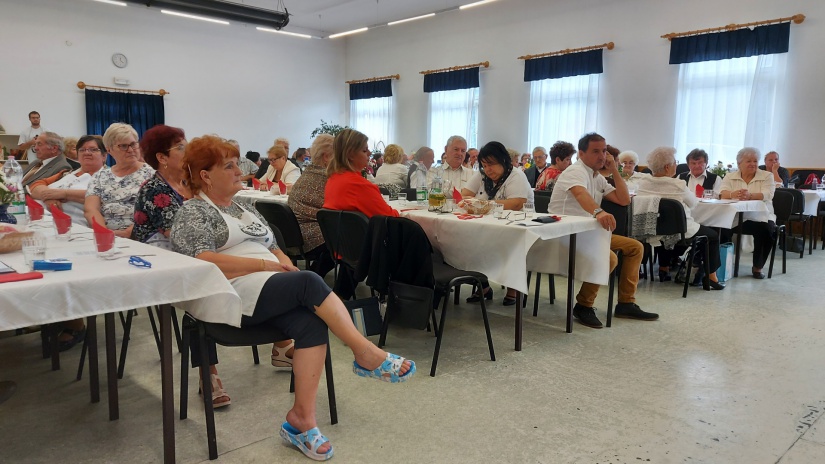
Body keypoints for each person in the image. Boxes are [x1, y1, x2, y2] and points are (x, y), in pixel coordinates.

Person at [170, 135, 414, 461]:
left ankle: (301, 420)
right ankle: (365, 352)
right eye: (228, 166)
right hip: (227, 295)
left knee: (311, 323)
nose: (239, 171)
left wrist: (283, 262)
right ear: (205, 176)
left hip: (265, 288)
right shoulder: (193, 212)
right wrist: (265, 266)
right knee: (309, 281)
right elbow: (202, 259)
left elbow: (273, 246)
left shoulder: (244, 207)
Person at [549, 133, 658, 328]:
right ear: (581, 154)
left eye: (604, 151)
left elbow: (623, 200)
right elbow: (580, 194)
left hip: (588, 233)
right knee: (609, 258)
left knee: (635, 247)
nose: (602, 156)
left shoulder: (596, 176)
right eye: (596, 151)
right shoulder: (575, 171)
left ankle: (626, 303)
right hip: (565, 233)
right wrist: (599, 211)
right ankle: (583, 305)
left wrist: (615, 170)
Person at [635, 147, 725, 289]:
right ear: (667, 167)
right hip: (680, 230)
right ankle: (711, 277)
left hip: (651, 228)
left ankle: (664, 268)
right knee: (712, 236)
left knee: (663, 230)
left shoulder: (643, 182)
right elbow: (693, 203)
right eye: (675, 162)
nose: (676, 165)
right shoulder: (678, 184)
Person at [461, 141, 534, 305]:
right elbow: (464, 194)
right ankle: (484, 286)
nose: (488, 169)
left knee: (510, 244)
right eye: (484, 165)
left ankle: (513, 288)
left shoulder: (516, 175)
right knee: (465, 240)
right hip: (487, 225)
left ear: (504, 160)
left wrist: (484, 204)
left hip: (516, 225)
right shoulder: (481, 175)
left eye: (491, 164)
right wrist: (478, 203)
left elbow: (517, 203)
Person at [85, 123, 155, 238]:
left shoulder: (152, 175)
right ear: (109, 150)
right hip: (105, 235)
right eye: (123, 146)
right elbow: (91, 209)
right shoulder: (99, 176)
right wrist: (104, 233)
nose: (130, 150)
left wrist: (127, 233)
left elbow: (153, 212)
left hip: (141, 236)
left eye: (133, 144)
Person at [720, 147, 776, 279]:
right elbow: (722, 193)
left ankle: (758, 267)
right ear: (739, 163)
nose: (753, 164)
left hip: (760, 216)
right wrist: (733, 194)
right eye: (748, 161)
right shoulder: (730, 176)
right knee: (720, 228)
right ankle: (723, 264)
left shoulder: (767, 176)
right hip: (735, 217)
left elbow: (768, 194)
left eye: (755, 161)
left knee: (766, 230)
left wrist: (750, 195)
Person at [29, 135, 106, 225]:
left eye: (93, 149)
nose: (86, 153)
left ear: (104, 156)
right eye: (82, 150)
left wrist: (64, 194)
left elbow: (104, 196)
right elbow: (36, 185)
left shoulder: (109, 177)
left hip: (71, 224)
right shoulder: (66, 173)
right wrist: (48, 197)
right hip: (40, 216)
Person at [288, 134, 336, 277]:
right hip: (310, 238)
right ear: (326, 157)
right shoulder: (327, 177)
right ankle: (315, 278)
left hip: (292, 235)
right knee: (350, 241)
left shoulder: (307, 172)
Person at [323, 129, 399, 218]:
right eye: (364, 150)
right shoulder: (359, 185)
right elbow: (390, 218)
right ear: (350, 154)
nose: (369, 153)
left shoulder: (332, 180)